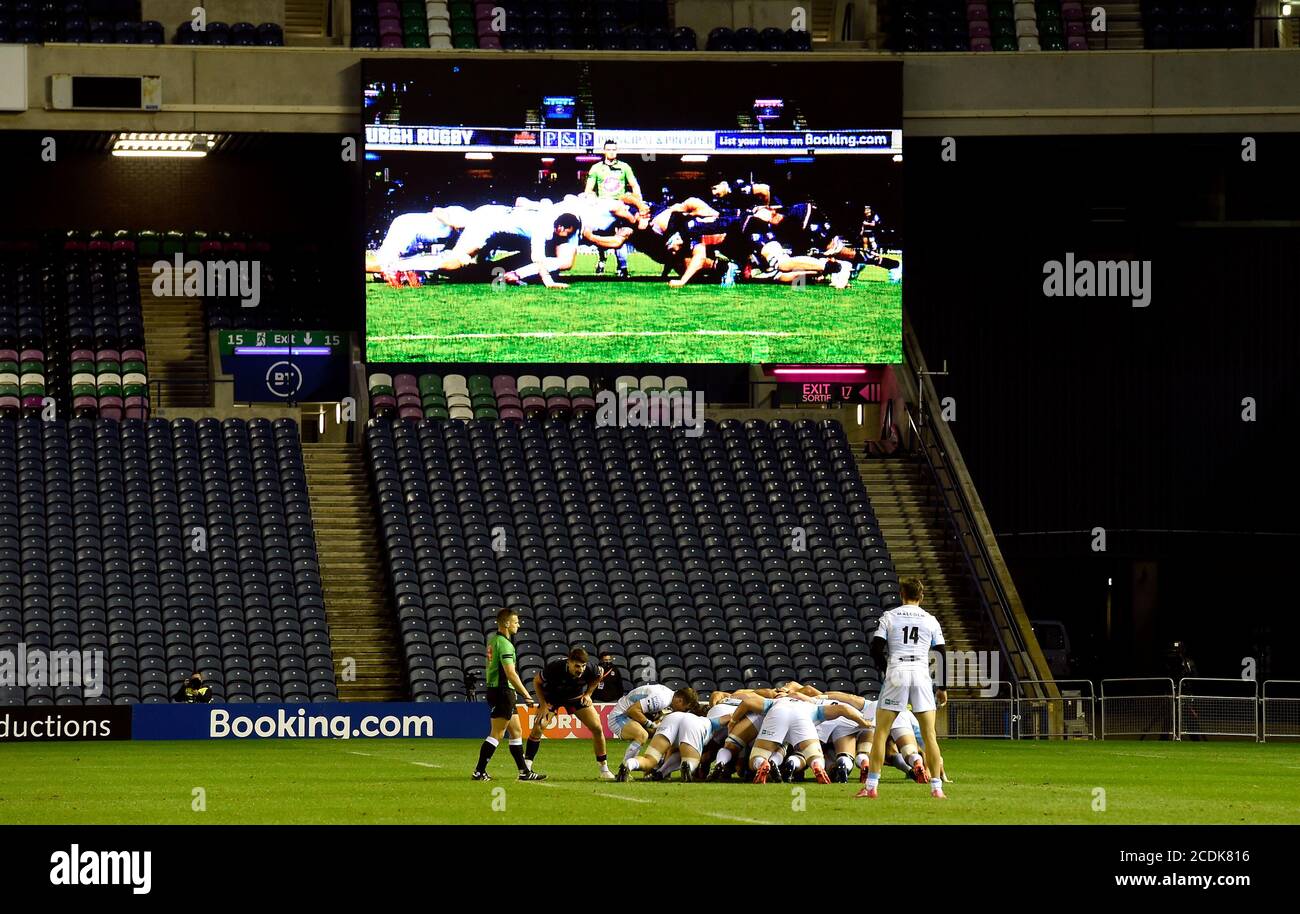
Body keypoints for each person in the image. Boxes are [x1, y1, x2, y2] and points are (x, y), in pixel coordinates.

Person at [857, 577, 948, 799]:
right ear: (922, 596)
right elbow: (942, 653)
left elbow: (876, 649)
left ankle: (871, 787)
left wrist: (887, 668)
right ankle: (937, 789)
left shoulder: (890, 616)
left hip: (897, 670)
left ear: (901, 594)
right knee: (929, 735)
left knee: (881, 732)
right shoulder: (930, 620)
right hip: (920, 673)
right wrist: (942, 687)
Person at [473, 608, 546, 781]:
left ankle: (524, 772)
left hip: (497, 690)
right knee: (497, 733)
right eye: (515, 622)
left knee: (516, 731)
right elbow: (510, 673)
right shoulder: (505, 644)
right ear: (506, 623)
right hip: (503, 692)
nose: (518, 625)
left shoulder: (493, 641)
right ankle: (479, 771)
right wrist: (526, 694)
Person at [528, 647, 616, 780]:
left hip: (575, 697)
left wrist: (588, 694)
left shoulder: (591, 668)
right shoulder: (555, 667)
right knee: (539, 726)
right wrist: (543, 705)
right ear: (569, 662)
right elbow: (537, 681)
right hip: (552, 698)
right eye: (577, 666)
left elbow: (599, 675)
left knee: (597, 728)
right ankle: (526, 767)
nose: (580, 670)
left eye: (583, 666)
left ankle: (604, 769)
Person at [585, 140, 641, 277]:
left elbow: (634, 185)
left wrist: (638, 200)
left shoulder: (624, 167)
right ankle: (602, 261)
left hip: (620, 207)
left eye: (614, 149)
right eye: (609, 149)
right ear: (604, 151)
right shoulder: (596, 168)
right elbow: (588, 190)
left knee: (620, 235)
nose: (611, 151)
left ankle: (623, 266)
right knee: (601, 236)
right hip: (603, 208)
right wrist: (592, 200)